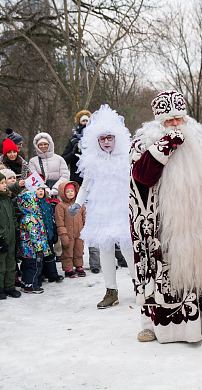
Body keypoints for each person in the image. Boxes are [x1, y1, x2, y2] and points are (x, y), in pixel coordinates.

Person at [129, 90, 202, 343]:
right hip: (163, 225)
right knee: (164, 273)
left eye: (179, 119)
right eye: (169, 121)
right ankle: (154, 326)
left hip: (199, 223)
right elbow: (142, 177)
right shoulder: (144, 142)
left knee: (199, 269)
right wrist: (167, 144)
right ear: (159, 123)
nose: (176, 125)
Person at [68, 105, 135, 308]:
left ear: (117, 138)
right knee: (105, 248)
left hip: (123, 209)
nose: (106, 142)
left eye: (109, 138)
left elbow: (136, 183)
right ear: (96, 140)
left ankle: (139, 284)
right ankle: (110, 290)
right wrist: (78, 203)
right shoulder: (93, 161)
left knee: (128, 247)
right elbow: (86, 186)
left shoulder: (127, 158)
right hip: (101, 210)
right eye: (102, 139)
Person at [18, 189, 52, 294]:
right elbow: (34, 235)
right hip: (35, 250)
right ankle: (32, 285)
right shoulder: (31, 218)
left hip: (28, 250)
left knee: (28, 267)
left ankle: (25, 283)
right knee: (36, 267)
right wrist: (39, 249)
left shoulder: (27, 216)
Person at [55, 181, 85, 278]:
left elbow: (84, 216)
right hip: (68, 233)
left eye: (72, 190)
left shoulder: (79, 204)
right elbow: (59, 221)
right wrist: (63, 234)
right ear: (63, 193)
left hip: (79, 233)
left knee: (79, 250)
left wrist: (85, 229)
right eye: (67, 191)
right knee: (67, 251)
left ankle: (79, 265)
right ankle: (68, 268)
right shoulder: (60, 206)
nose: (70, 193)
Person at [36, 184, 64, 283]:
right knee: (39, 257)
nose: (40, 191)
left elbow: (51, 219)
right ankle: (39, 276)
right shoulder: (34, 205)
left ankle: (52, 274)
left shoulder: (46, 203)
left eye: (42, 189)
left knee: (50, 256)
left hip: (49, 235)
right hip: (39, 237)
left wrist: (54, 232)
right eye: (38, 189)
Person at [29, 133, 70, 198]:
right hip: (41, 195)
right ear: (37, 146)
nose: (43, 146)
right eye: (40, 145)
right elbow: (33, 177)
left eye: (45, 144)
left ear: (50, 145)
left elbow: (65, 176)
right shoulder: (33, 161)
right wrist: (45, 189)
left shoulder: (59, 159)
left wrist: (55, 189)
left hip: (58, 194)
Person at [0, 172, 21, 299]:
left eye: (4, 183)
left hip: (11, 237)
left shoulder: (7, 198)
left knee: (10, 263)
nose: (4, 185)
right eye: (1, 183)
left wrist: (17, 230)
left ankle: (9, 286)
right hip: (1, 238)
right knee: (1, 265)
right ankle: (1, 288)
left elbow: (13, 216)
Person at [62, 110, 91, 185]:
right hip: (76, 179)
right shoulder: (73, 140)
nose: (85, 123)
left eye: (87, 121)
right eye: (83, 121)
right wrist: (73, 153)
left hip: (91, 178)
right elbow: (64, 160)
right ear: (79, 122)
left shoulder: (95, 139)